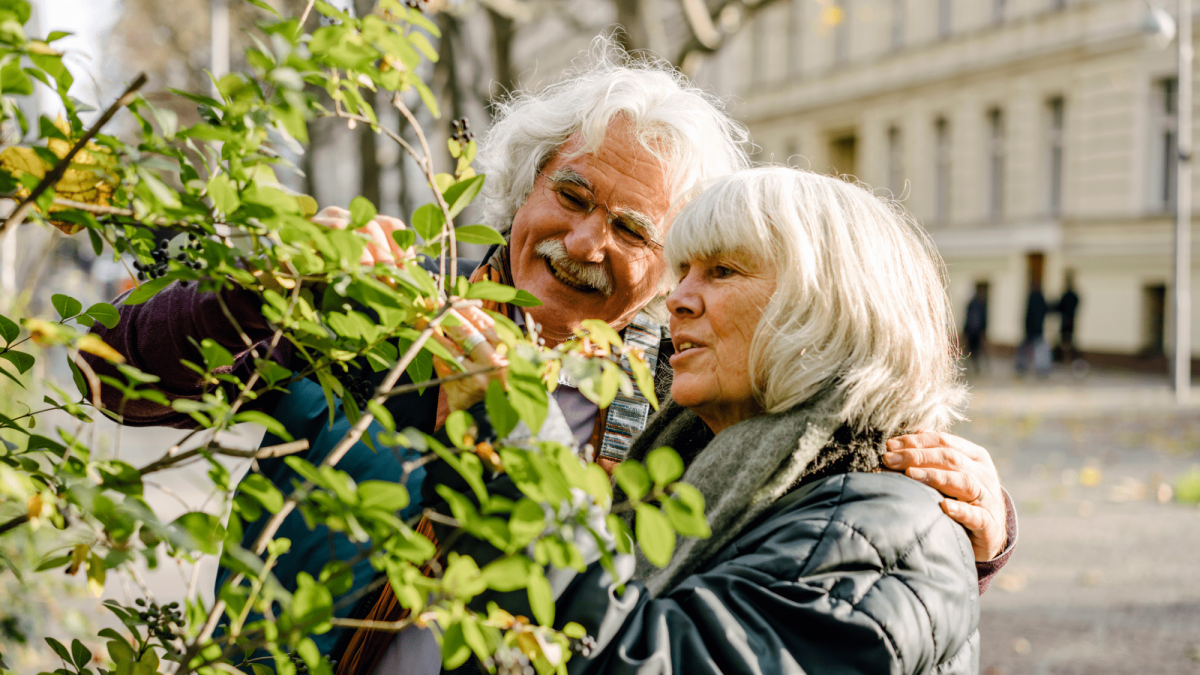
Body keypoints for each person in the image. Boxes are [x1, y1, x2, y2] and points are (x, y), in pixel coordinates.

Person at [81, 49, 1013, 659]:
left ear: (674, 262)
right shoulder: (376, 297)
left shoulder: (691, 380)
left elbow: (813, 540)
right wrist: (267, 293)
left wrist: (981, 517)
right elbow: (108, 371)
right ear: (522, 186)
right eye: (570, 196)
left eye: (633, 227)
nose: (584, 241)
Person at [414, 166, 981, 674]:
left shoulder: (882, 532)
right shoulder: (696, 462)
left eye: (723, 271)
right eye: (682, 271)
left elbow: (633, 659)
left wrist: (513, 439)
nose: (678, 299)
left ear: (830, 306)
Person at [1016, 281, 1050, 376]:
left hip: (1032, 328)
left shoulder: (1033, 297)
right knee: (1035, 347)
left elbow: (1030, 314)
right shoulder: (1037, 297)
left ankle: (1023, 366)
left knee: (1031, 347)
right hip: (1036, 328)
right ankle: (1038, 367)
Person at [1056, 270, 1081, 365]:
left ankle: (1068, 360)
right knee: (1068, 341)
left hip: (1067, 320)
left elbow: (1060, 306)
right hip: (1070, 320)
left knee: (1067, 342)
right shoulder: (1073, 295)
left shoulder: (1068, 295)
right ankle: (1068, 360)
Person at [963, 282, 988, 375]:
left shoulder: (972, 303)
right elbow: (983, 319)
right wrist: (984, 330)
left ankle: (971, 365)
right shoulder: (980, 304)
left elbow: (967, 317)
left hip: (971, 330)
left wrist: (965, 330)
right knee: (975, 349)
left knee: (972, 349)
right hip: (976, 331)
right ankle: (974, 365)